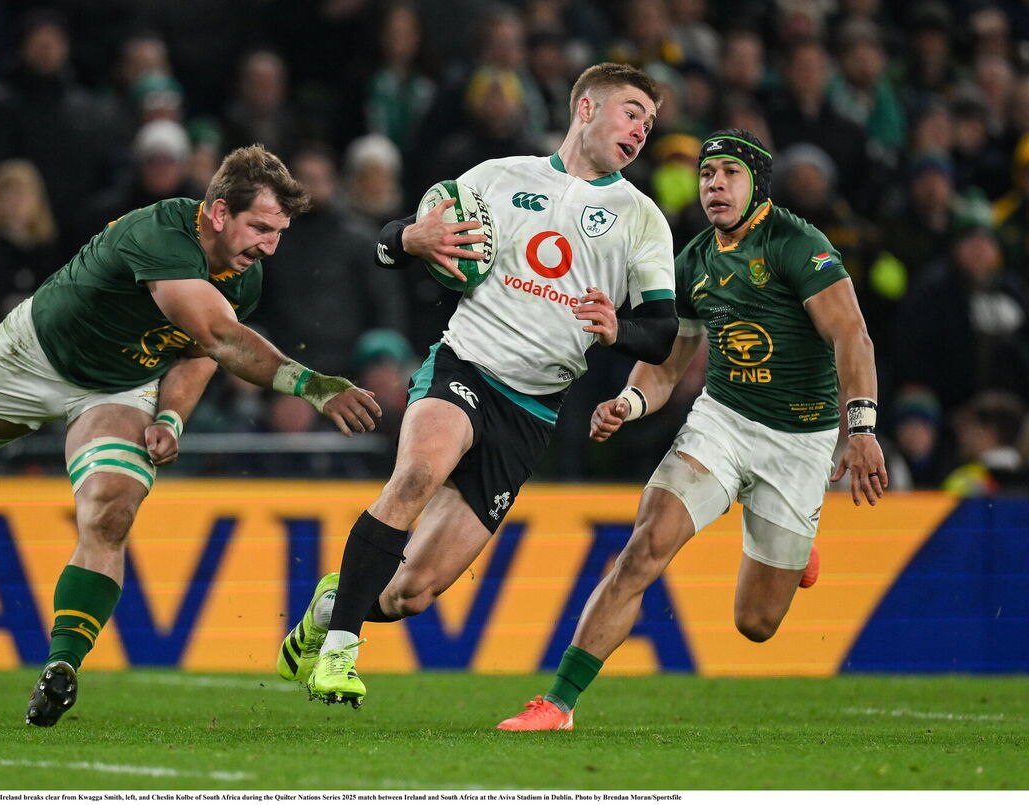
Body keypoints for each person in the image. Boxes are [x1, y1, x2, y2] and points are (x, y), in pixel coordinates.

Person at [0, 145, 382, 727]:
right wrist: (316, 386)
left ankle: (61, 665)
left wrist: (171, 417)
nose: (269, 247)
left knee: (112, 510)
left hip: (120, 387)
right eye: (260, 227)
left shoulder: (243, 275)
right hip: (38, 357)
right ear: (218, 212)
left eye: (278, 233)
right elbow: (219, 335)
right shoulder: (161, 234)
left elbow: (200, 352)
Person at [278, 63, 679, 706]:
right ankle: (339, 654)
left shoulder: (642, 218)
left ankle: (334, 606)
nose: (640, 130)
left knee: (412, 594)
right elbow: (387, 245)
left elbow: (660, 334)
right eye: (631, 112)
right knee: (416, 475)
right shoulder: (497, 178)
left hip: (533, 411)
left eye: (649, 124)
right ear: (585, 108)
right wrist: (412, 237)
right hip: (466, 365)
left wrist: (617, 330)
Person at [495, 129, 888, 731]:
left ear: (757, 184)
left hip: (798, 440)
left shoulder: (797, 244)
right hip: (722, 422)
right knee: (642, 550)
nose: (714, 186)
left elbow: (851, 335)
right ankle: (559, 703)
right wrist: (629, 403)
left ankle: (792, 545)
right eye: (707, 175)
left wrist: (860, 428)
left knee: (756, 623)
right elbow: (667, 365)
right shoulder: (695, 261)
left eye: (730, 174)